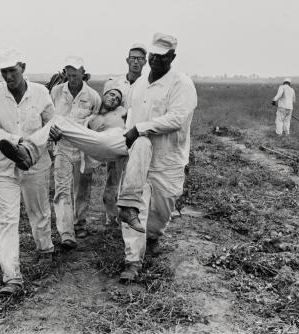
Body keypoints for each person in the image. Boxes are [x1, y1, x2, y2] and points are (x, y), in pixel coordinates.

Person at [0, 88, 146, 233]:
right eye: (111, 95)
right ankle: (28, 152)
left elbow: (136, 116)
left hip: (119, 140)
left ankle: (28, 151)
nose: (114, 99)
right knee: (58, 121)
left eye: (117, 99)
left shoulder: (121, 112)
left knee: (113, 186)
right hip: (98, 145)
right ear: (103, 95)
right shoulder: (91, 116)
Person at [117, 33, 198, 283]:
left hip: (168, 159)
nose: (156, 60)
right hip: (140, 158)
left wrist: (141, 129)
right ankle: (132, 260)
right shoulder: (140, 84)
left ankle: (153, 235)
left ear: (172, 56)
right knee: (133, 203)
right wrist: (128, 139)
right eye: (154, 55)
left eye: (163, 57)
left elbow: (177, 119)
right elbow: (131, 116)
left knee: (162, 210)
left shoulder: (181, 84)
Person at [0, 48, 55, 296]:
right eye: (4, 71)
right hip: (2, 165)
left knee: (39, 209)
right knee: (6, 220)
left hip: (35, 161)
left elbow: (51, 123)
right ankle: (12, 277)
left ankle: (45, 249)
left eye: (12, 70)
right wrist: (17, 141)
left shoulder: (41, 92)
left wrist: (51, 134)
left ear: (23, 67)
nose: (8, 76)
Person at [50, 56, 101, 246]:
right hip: (62, 146)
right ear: (65, 73)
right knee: (62, 189)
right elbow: (48, 116)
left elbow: (97, 121)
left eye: (76, 74)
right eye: (69, 75)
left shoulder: (93, 96)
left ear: (83, 73)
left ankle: (79, 223)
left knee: (82, 188)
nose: (72, 78)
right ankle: (66, 232)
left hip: (83, 149)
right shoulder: (56, 92)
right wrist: (52, 133)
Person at [102, 43, 147, 225]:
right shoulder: (114, 83)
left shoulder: (147, 84)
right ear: (127, 60)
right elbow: (105, 107)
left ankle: (129, 215)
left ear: (145, 62)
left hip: (136, 136)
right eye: (133, 58)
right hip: (117, 136)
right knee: (113, 175)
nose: (136, 62)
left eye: (140, 59)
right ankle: (110, 216)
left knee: (134, 177)